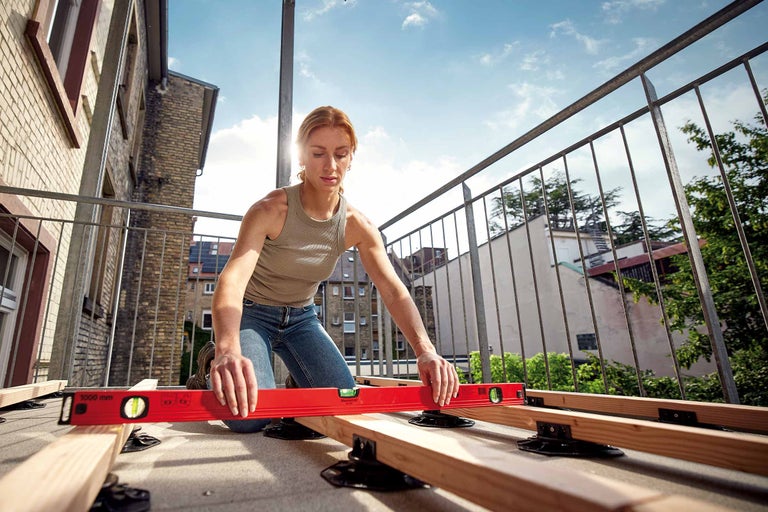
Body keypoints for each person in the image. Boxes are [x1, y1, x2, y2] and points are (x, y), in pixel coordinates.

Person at [189, 105, 460, 433]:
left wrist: (425, 351)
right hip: (251, 315)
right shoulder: (270, 210)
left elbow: (393, 289)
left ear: (350, 158)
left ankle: (297, 381)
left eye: (340, 154)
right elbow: (232, 280)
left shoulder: (356, 225)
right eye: (318, 154)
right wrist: (227, 347)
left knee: (344, 403)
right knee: (252, 418)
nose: (330, 165)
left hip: (301, 320)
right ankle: (209, 368)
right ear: (302, 156)